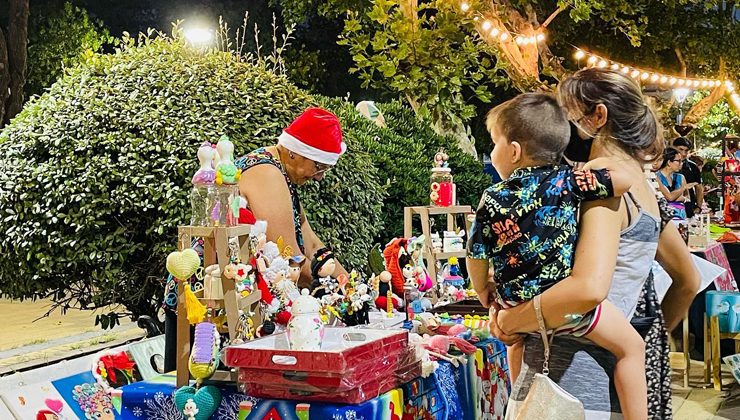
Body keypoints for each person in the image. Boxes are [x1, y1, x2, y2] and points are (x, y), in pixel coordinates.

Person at [489, 68, 700, 419]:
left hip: (568, 387)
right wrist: (637, 342)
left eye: (564, 112)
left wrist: (512, 321)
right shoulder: (642, 187)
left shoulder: (596, 180)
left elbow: (588, 288)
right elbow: (688, 281)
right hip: (603, 385)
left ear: (597, 116)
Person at [467, 93, 646, 419]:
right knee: (632, 348)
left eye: (494, 143)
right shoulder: (572, 181)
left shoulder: (490, 197)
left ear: (514, 151)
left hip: (514, 304)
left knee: (516, 345)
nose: (491, 152)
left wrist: (484, 292)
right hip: (567, 308)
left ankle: (522, 406)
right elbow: (625, 181)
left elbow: (476, 254)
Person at [236, 107, 349, 288]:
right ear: (293, 152)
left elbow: (312, 245)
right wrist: (341, 295)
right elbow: (290, 258)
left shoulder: (279, 170)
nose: (319, 177)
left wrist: (350, 284)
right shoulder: (268, 175)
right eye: (318, 166)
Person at [656, 147, 695, 220]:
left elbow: (687, 198)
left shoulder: (681, 177)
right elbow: (668, 198)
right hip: (665, 216)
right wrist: (683, 189)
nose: (681, 164)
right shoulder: (657, 177)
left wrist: (680, 198)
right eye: (678, 161)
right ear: (669, 162)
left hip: (681, 215)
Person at [673, 137, 703, 217]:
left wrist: (699, 207)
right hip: (671, 207)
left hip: (689, 207)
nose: (683, 153)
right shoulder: (664, 165)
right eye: (680, 149)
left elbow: (699, 187)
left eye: (686, 151)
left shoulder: (693, 167)